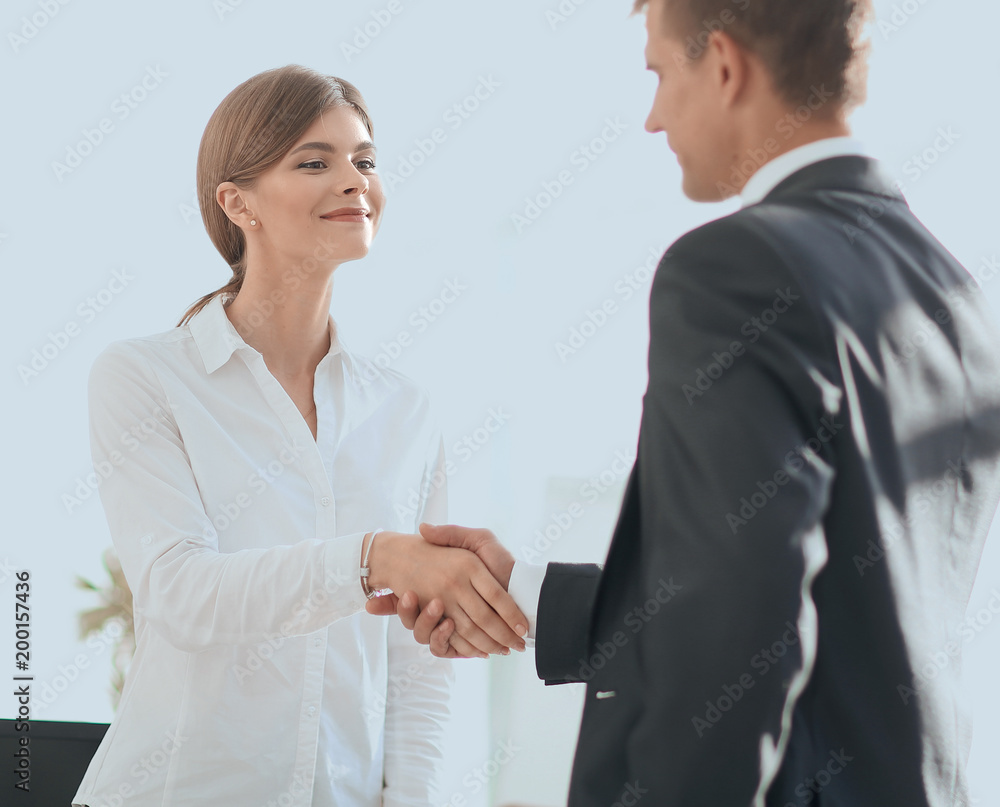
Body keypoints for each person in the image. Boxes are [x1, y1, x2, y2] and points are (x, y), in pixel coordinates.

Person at [372, 1, 1000, 805]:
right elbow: (813, 596)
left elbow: (735, 628)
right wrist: (528, 590)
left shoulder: (737, 269)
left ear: (727, 67)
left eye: (662, 74)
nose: (652, 116)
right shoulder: (955, 293)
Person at [72, 64, 526, 807]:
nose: (354, 180)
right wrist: (373, 558)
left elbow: (420, 667)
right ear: (236, 202)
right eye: (315, 161)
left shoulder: (404, 410)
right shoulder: (143, 377)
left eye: (365, 160)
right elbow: (181, 593)